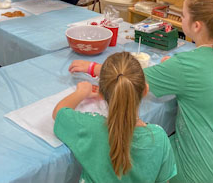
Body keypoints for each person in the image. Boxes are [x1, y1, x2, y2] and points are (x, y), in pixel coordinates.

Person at [68, 0, 213, 182]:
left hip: (204, 174)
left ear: (196, 26)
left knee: (138, 152)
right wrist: (173, 69)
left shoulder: (186, 66)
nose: (181, 19)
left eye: (183, 15)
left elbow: (130, 78)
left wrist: (93, 67)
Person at [53, 52, 177, 182]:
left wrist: (81, 92)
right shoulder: (159, 138)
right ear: (145, 91)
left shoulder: (89, 127)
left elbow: (59, 111)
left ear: (102, 92)